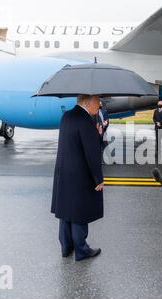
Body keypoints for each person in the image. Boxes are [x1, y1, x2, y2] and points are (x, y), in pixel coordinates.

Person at [51, 94, 104, 261]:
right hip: (80, 173)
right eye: (97, 100)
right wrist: (98, 179)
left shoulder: (67, 116)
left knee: (66, 210)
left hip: (64, 171)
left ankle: (66, 247)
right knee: (80, 212)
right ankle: (82, 250)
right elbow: (92, 153)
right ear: (88, 102)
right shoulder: (86, 121)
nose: (100, 103)